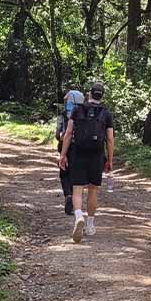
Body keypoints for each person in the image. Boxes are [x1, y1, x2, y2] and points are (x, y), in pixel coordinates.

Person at [59, 81, 114, 242]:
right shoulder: (106, 113)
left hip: (78, 152)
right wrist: (109, 160)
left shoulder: (77, 109)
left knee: (77, 189)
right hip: (97, 155)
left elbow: (68, 133)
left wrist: (63, 155)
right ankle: (90, 225)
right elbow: (110, 139)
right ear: (102, 96)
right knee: (93, 190)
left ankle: (78, 217)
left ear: (89, 94)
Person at [56, 84, 85, 214]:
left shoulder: (63, 114)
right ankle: (73, 198)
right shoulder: (84, 113)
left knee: (64, 173)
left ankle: (67, 195)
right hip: (79, 147)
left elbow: (58, 134)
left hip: (65, 146)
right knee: (76, 173)